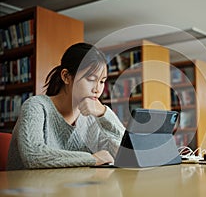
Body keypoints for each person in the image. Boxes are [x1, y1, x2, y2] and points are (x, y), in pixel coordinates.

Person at [7, 42, 125, 170]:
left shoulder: (92, 118)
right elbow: (33, 155)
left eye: (102, 81)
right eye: (91, 79)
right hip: (29, 187)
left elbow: (127, 153)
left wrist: (104, 113)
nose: (98, 89)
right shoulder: (36, 106)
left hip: (69, 186)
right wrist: (92, 159)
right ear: (66, 77)